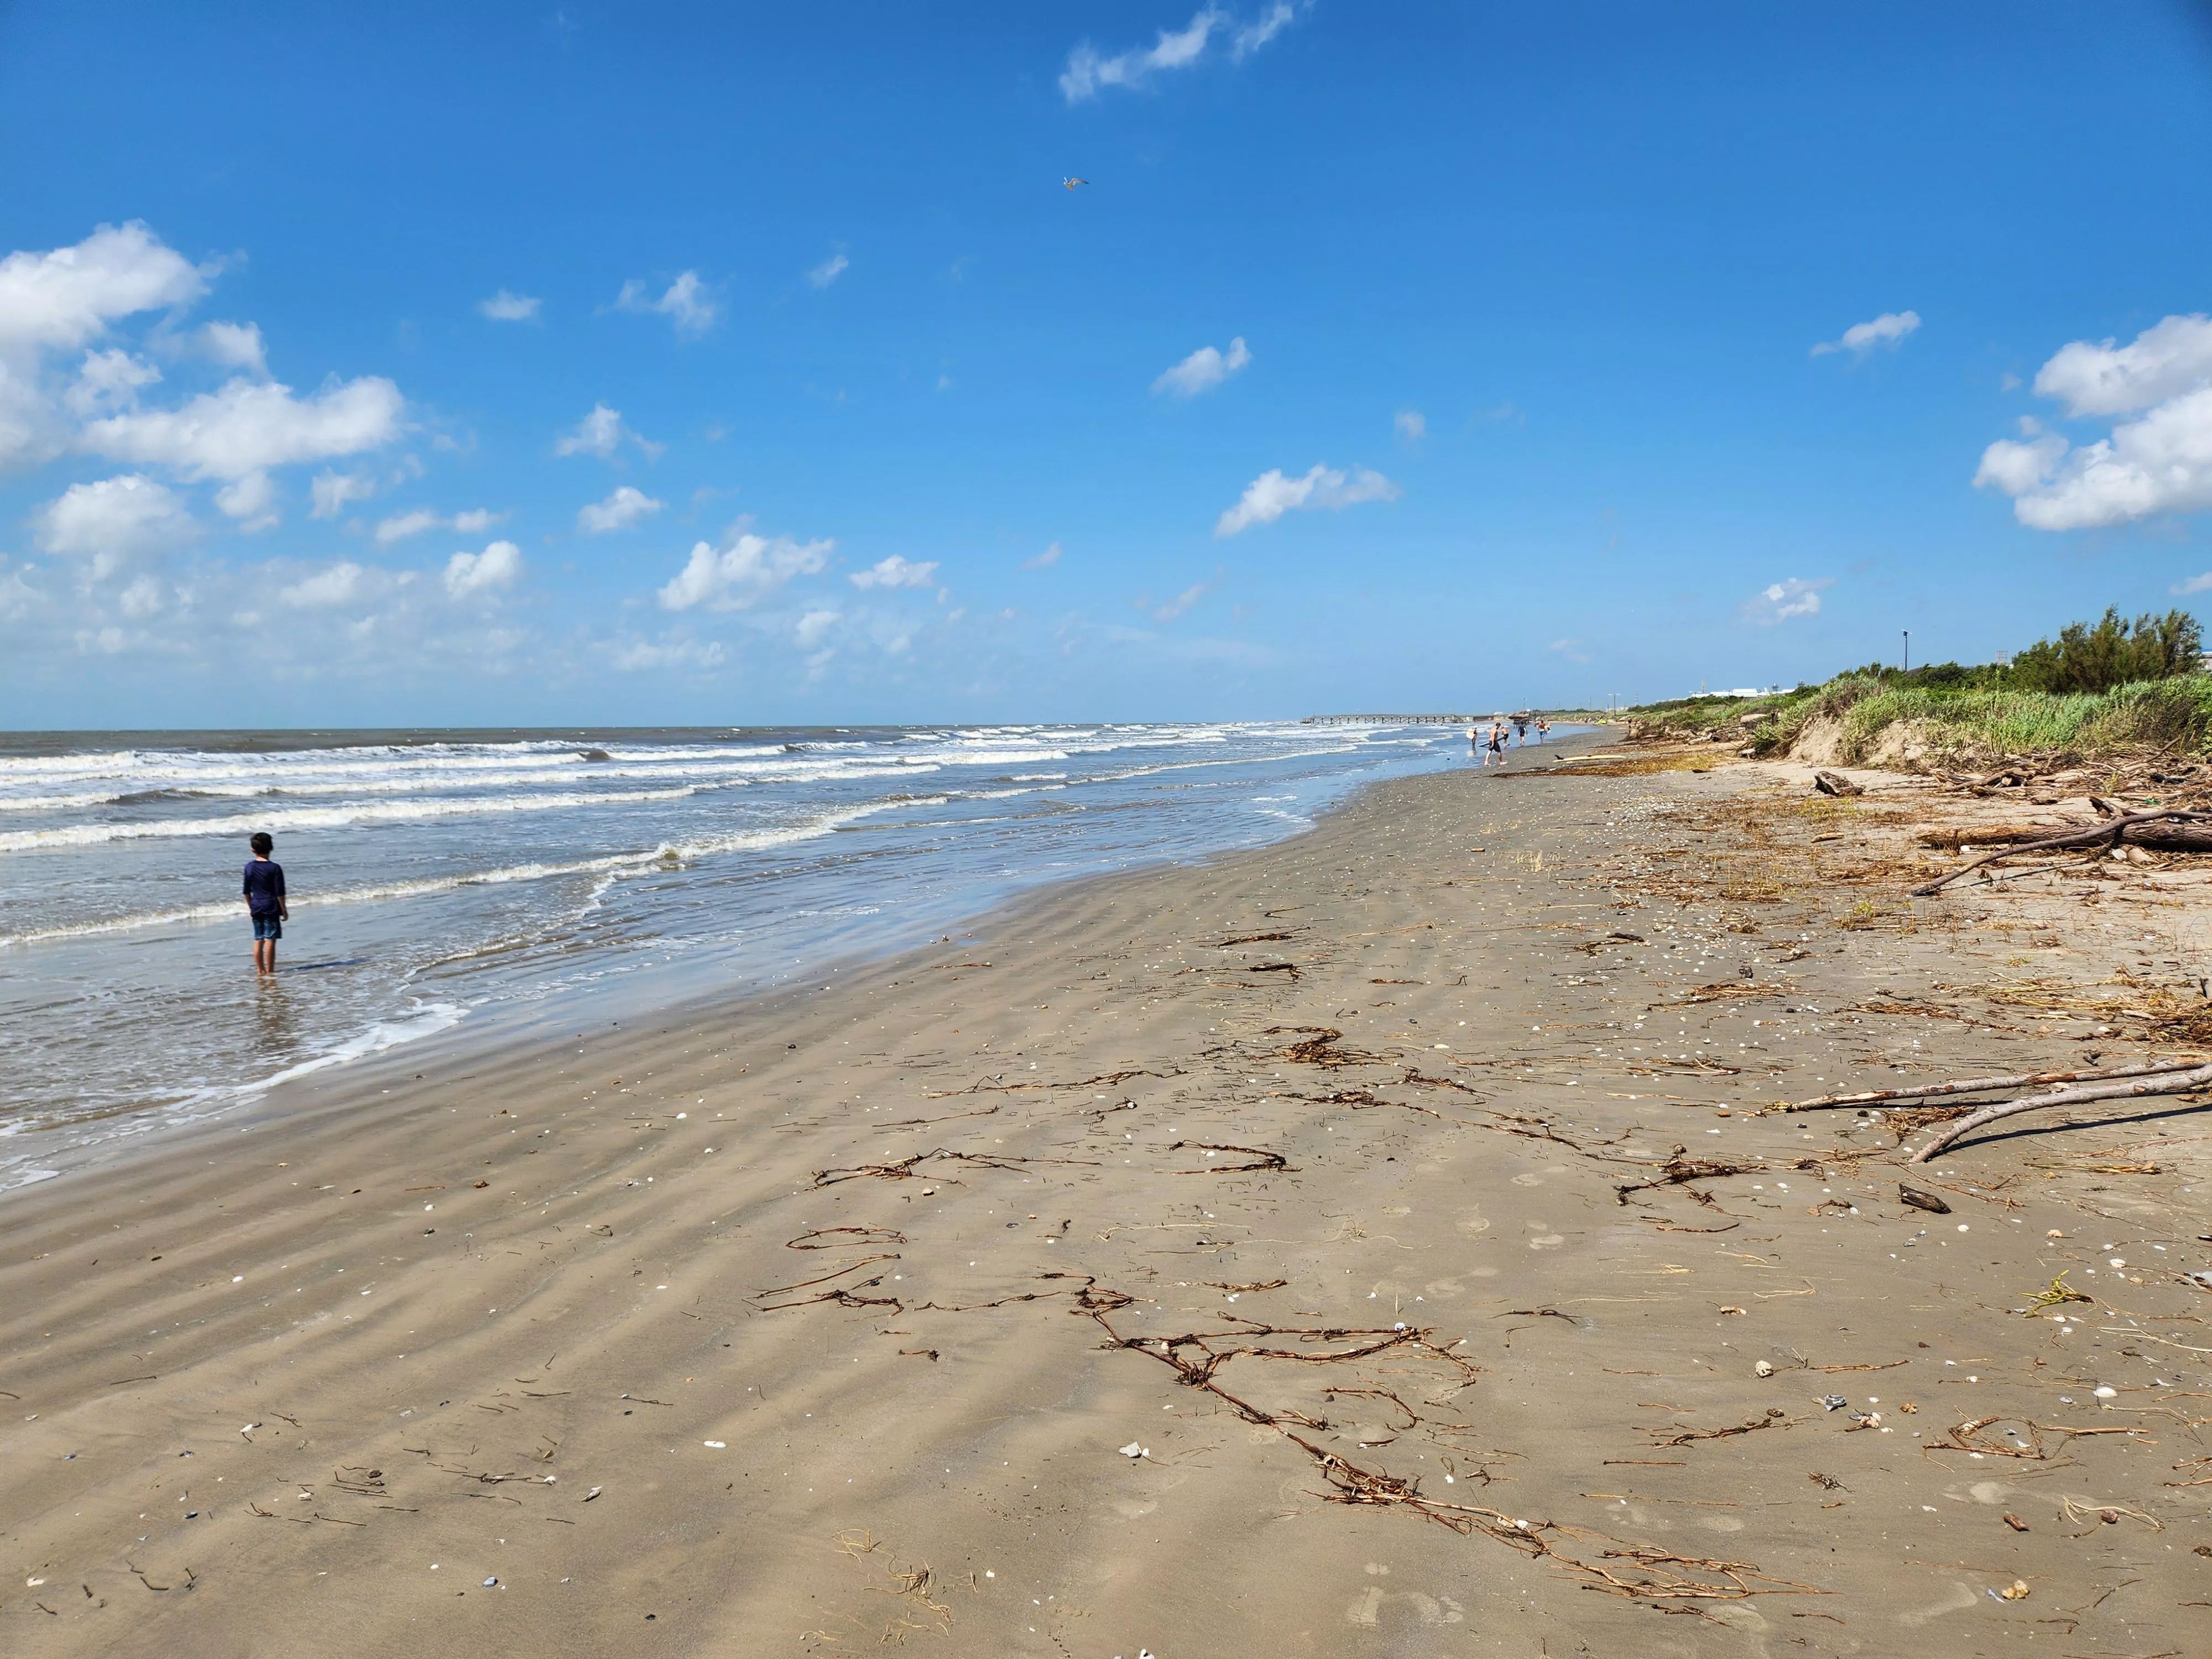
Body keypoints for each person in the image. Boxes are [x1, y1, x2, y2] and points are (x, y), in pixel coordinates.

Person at [243, 831, 288, 972]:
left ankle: (260, 970)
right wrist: (284, 910)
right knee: (270, 939)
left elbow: (246, 891)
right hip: (271, 906)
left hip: (256, 905)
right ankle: (270, 970)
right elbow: (280, 893)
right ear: (271, 848)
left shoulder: (249, 867)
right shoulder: (275, 868)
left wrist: (251, 907)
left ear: (253, 850)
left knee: (258, 939)